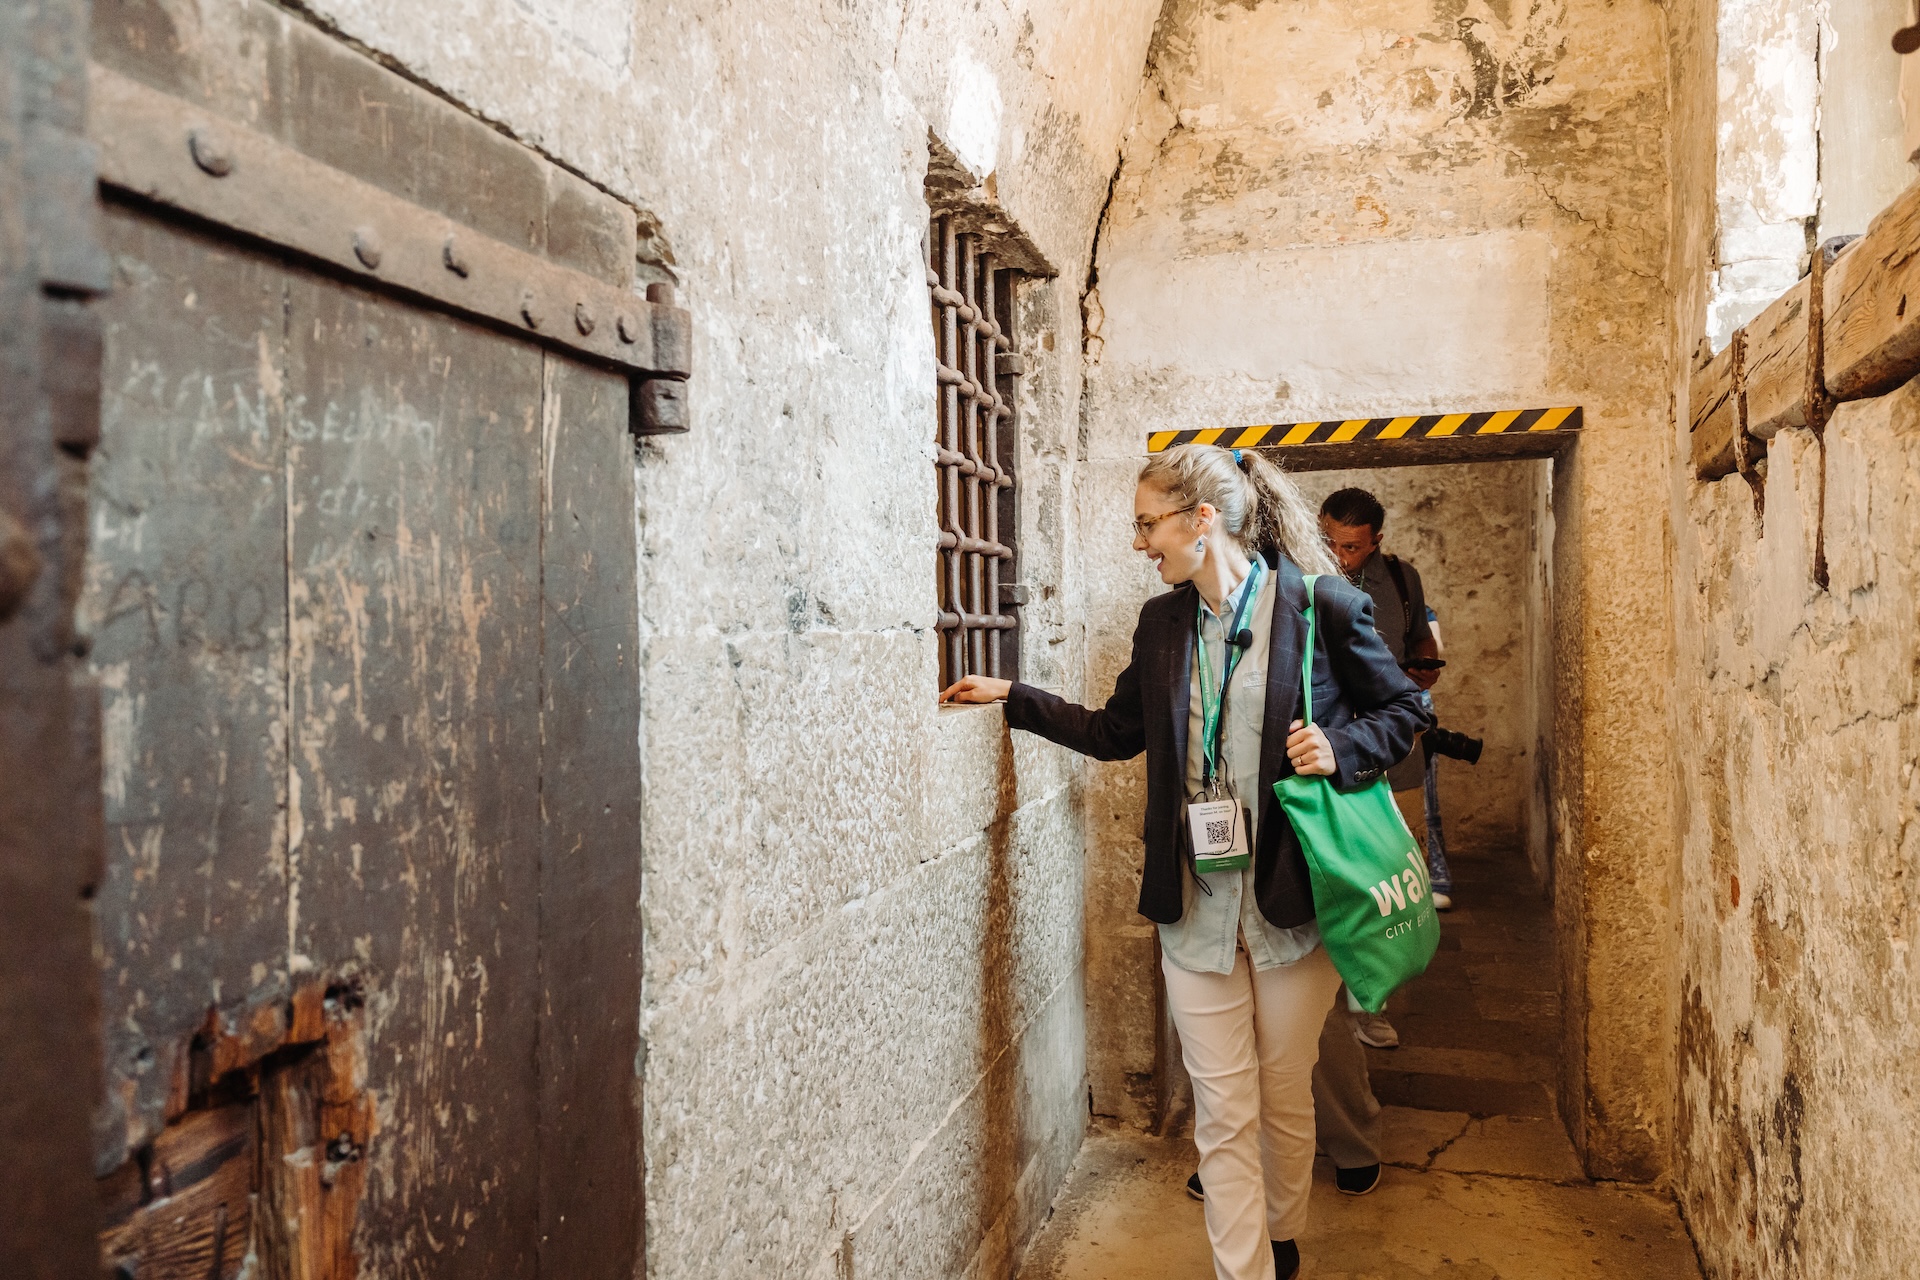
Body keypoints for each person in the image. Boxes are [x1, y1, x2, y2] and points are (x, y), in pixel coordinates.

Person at [943, 445, 1429, 1280]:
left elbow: (1405, 709)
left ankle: (1281, 1235)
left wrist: (1340, 747)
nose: (1139, 544)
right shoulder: (1163, 624)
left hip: (1293, 903)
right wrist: (1016, 697)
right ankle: (1246, 1271)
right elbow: (1116, 732)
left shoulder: (1321, 606)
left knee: (1282, 1092)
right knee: (1224, 1110)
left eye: (1147, 524)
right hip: (1196, 906)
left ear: (1202, 519)